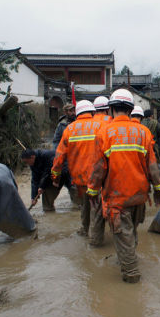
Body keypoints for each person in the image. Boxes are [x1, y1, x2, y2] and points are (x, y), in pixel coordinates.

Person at [87, 89, 160, 283]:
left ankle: (131, 274)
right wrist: (159, 189)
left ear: (112, 108)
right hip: (139, 195)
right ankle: (128, 257)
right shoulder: (144, 132)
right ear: (130, 110)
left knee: (123, 234)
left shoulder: (104, 133)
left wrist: (92, 191)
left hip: (117, 197)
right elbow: (153, 167)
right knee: (131, 231)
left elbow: (98, 170)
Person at [52, 100, 106, 245]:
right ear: (92, 112)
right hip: (98, 177)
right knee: (96, 207)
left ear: (77, 113)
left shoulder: (69, 129)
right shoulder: (102, 126)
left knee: (85, 204)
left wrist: (55, 176)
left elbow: (59, 156)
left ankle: (84, 229)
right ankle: (95, 240)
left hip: (79, 178)